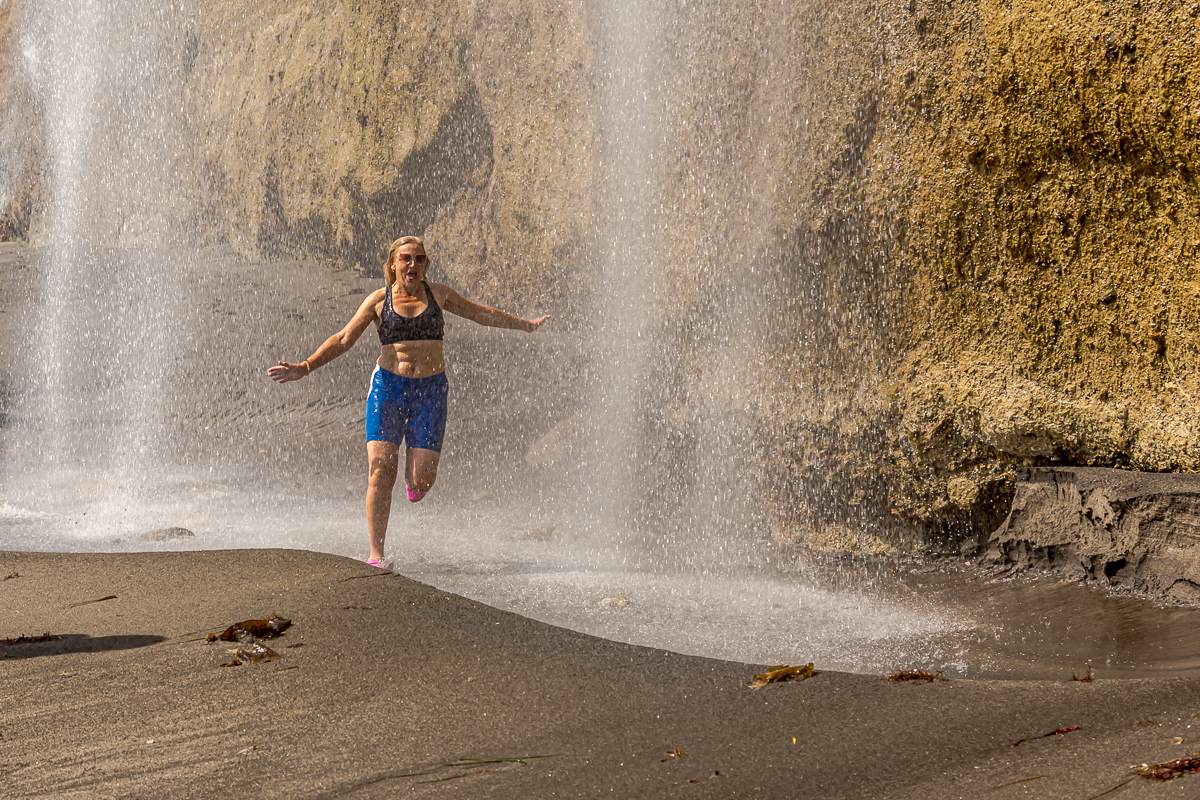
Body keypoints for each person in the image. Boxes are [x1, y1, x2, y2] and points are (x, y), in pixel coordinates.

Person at [268, 236, 550, 567]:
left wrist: (526, 326)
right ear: (393, 264)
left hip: (430, 393)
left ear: (425, 265)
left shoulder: (439, 294)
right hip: (388, 390)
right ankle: (376, 555)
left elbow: (480, 313)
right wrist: (305, 367)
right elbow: (343, 339)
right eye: (405, 259)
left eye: (418, 259)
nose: (412, 264)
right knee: (381, 468)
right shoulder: (378, 301)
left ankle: (414, 482)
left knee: (422, 480)